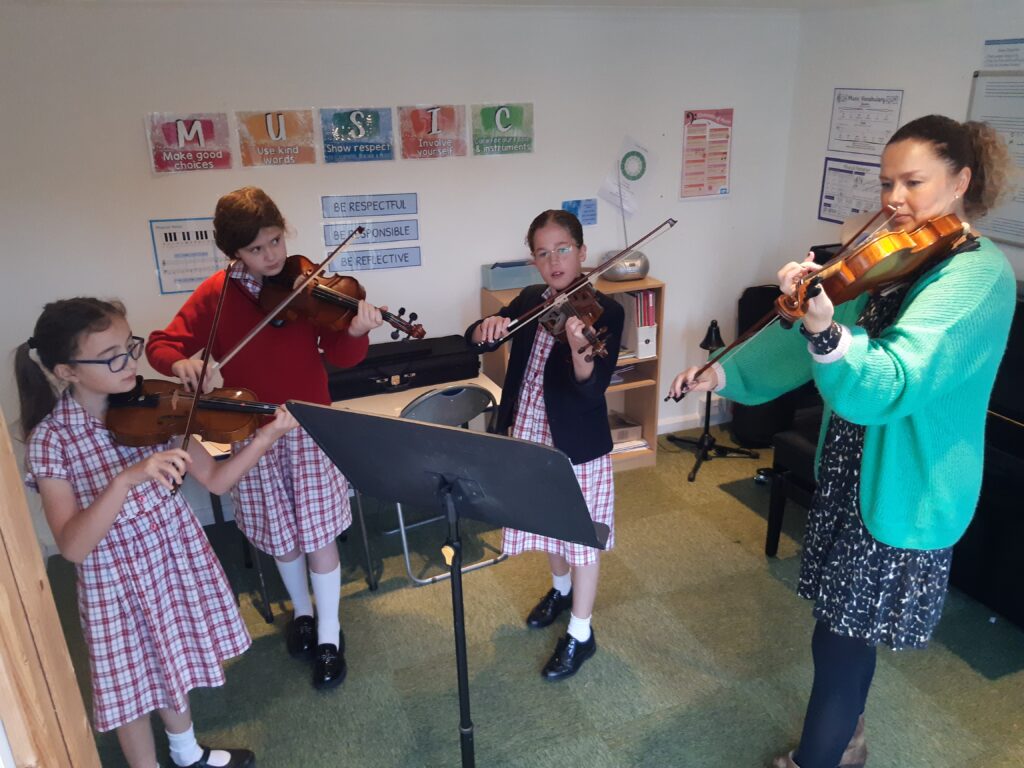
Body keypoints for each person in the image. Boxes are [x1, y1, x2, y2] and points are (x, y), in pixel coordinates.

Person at [670, 114, 1016, 768]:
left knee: (840, 639)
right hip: (852, 472)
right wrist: (727, 369)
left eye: (913, 181)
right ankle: (849, 736)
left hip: (906, 487)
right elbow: (803, 339)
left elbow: (893, 380)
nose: (894, 197)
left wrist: (827, 333)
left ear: (961, 180)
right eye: (888, 181)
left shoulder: (978, 279)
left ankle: (824, 757)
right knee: (840, 627)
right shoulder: (900, 254)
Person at [16, 297, 299, 768]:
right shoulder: (53, 439)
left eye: (129, 347)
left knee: (171, 660)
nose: (130, 363)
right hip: (114, 579)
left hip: (169, 553)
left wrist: (265, 437)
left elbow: (218, 480)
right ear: (67, 371)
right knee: (130, 687)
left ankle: (186, 752)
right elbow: (72, 544)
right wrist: (127, 479)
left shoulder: (156, 404)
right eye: (111, 357)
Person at [147, 187, 383, 690]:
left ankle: (328, 631)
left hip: (307, 426)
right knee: (279, 533)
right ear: (234, 254)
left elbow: (339, 356)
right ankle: (301, 612)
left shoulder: (308, 283)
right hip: (249, 432)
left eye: (275, 240)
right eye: (257, 249)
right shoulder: (215, 294)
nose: (272, 255)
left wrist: (358, 331)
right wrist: (183, 363)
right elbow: (162, 344)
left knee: (318, 533)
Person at [466, 209, 624, 680]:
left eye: (562, 249)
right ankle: (559, 591)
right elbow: (478, 339)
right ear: (533, 260)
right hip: (529, 430)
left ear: (581, 252)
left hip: (576, 441)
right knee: (547, 525)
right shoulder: (534, 298)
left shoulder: (607, 311)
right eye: (542, 252)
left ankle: (581, 631)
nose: (554, 261)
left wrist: (580, 355)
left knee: (580, 537)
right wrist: (485, 329)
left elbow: (590, 390)